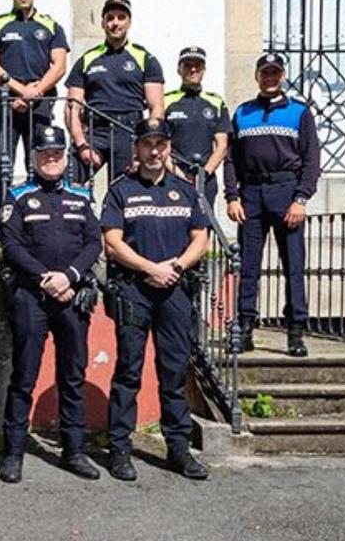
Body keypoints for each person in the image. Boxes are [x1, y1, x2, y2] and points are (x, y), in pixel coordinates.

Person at [102, 118, 210, 482]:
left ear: (168, 147)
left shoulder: (185, 190)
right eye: (147, 144)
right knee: (128, 372)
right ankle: (119, 449)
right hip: (134, 290)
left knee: (174, 371)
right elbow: (112, 242)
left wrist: (175, 266)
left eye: (160, 144)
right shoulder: (121, 191)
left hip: (175, 290)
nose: (154, 151)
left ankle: (178, 449)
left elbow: (201, 238)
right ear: (137, 147)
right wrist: (151, 267)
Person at [0, 126, 101, 484]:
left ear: (65, 156)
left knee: (72, 377)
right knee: (23, 376)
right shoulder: (19, 196)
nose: (51, 158)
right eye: (44, 153)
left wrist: (69, 276)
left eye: (57, 153)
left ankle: (73, 450)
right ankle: (13, 452)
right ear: (34, 157)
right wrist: (47, 278)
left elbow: (93, 243)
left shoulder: (81, 195)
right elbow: (11, 245)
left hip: (72, 296)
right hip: (32, 296)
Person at [225, 52, 321, 357]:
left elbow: (312, 159)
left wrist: (301, 198)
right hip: (251, 191)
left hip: (286, 191)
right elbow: (230, 159)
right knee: (249, 266)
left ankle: (295, 333)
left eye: (275, 73)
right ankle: (245, 329)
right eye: (265, 73)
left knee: (293, 266)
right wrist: (232, 196)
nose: (270, 78)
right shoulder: (242, 113)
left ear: (283, 76)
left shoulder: (299, 112)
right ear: (257, 76)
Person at [65, 0, 164, 182]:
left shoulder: (145, 58)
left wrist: (144, 146)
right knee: (68, 180)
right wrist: (81, 145)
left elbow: (156, 108)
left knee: (126, 191)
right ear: (102, 23)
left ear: (129, 22)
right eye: (110, 18)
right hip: (95, 132)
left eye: (121, 17)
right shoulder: (87, 59)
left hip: (129, 132)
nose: (115, 23)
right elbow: (72, 107)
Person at [0, 0, 69, 173]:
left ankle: (38, 204)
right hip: (6, 101)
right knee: (1, 167)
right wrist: (22, 91)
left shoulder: (51, 25)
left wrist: (35, 92)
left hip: (40, 103)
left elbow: (59, 66)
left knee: (39, 162)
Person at [164, 46, 231, 208]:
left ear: (204, 69)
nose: (193, 69)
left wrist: (205, 172)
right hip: (174, 175)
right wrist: (179, 176)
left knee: (203, 228)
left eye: (198, 65)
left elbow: (222, 145)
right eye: (187, 65)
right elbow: (161, 144)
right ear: (179, 69)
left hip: (205, 177)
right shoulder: (167, 101)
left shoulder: (216, 102)